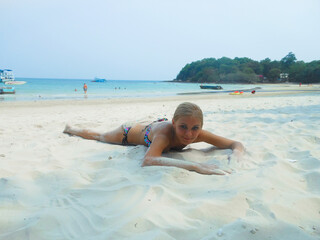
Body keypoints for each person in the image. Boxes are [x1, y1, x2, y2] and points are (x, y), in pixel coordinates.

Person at [63, 102, 245, 175]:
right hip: (128, 133)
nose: (189, 134)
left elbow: (235, 143)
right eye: (183, 127)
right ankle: (72, 129)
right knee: (101, 136)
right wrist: (195, 166)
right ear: (174, 123)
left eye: (195, 128)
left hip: (150, 128)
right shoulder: (166, 134)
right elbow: (148, 160)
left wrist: (237, 153)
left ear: (200, 127)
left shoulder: (198, 133)